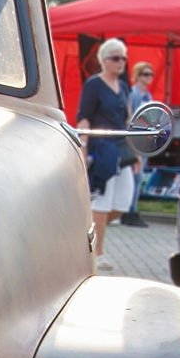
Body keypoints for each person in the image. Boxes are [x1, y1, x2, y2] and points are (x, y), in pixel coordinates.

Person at [75, 37, 138, 272]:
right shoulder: (94, 85)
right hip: (102, 148)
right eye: (115, 58)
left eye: (123, 58)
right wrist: (83, 146)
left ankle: (85, 232)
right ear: (104, 60)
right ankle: (98, 252)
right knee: (102, 201)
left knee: (123, 202)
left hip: (122, 148)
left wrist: (137, 151)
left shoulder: (123, 87)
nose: (121, 62)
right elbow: (85, 116)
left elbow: (129, 120)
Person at [119, 61, 156, 228]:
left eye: (150, 74)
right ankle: (129, 210)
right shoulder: (134, 95)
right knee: (136, 176)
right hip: (135, 140)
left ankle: (131, 208)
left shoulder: (148, 96)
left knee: (138, 177)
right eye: (145, 74)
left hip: (145, 140)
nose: (149, 78)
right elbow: (129, 118)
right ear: (138, 76)